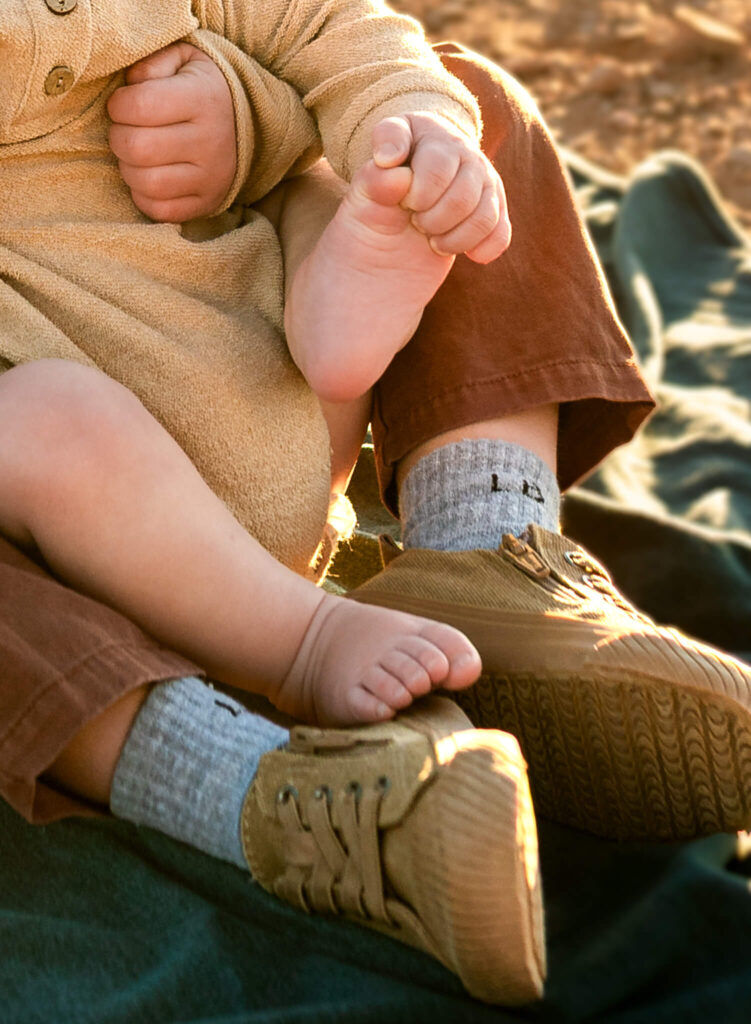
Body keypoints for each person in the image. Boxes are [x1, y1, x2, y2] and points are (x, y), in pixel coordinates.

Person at [2, 0, 751, 1006]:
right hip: (67, 543)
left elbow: (328, 21)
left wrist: (257, 120)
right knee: (42, 426)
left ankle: (485, 544)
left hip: (276, 368)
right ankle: (266, 785)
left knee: (456, 117)